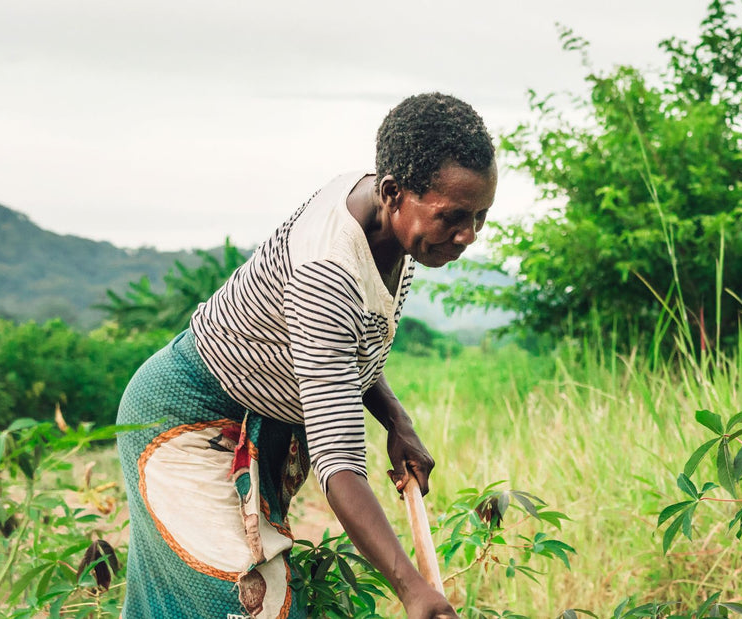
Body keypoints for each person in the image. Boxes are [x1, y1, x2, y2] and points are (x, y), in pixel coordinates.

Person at [116, 92, 497, 619]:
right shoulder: (326, 268)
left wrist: (396, 420)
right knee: (248, 604)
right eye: (453, 217)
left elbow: (350, 345)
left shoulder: (394, 224)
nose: (467, 236)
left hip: (260, 423)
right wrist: (413, 590)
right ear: (393, 192)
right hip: (188, 417)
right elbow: (338, 465)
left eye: (480, 216)